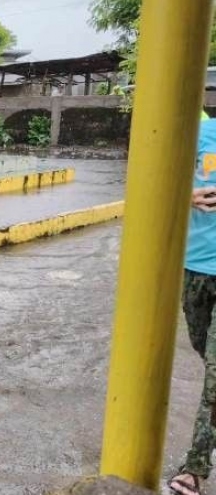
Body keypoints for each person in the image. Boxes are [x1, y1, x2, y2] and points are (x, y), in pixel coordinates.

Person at [168, 117, 216, 495]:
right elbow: (157, 181)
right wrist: (186, 195)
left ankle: (195, 469)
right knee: (205, 353)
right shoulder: (199, 133)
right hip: (195, 267)